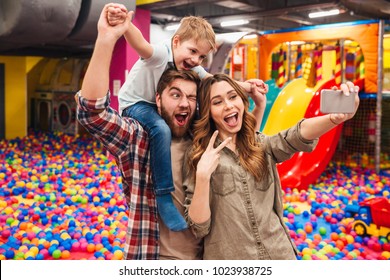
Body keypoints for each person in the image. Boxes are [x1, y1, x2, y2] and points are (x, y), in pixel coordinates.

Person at [76, 4, 266, 260]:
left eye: (191, 97)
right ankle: (163, 197)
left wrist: (250, 92)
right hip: (136, 107)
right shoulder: (139, 139)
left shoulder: (203, 138)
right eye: (175, 95)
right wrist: (113, 34)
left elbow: (218, 92)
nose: (185, 103)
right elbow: (93, 113)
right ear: (159, 98)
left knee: (165, 126)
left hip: (207, 257)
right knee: (160, 129)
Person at [183, 73, 360, 260]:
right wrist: (202, 177)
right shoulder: (199, 154)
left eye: (233, 96)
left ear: (242, 102)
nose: (228, 105)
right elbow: (199, 227)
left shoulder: (260, 144)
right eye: (217, 102)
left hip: (278, 253)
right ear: (208, 112)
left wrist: (334, 119)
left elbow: (296, 135)